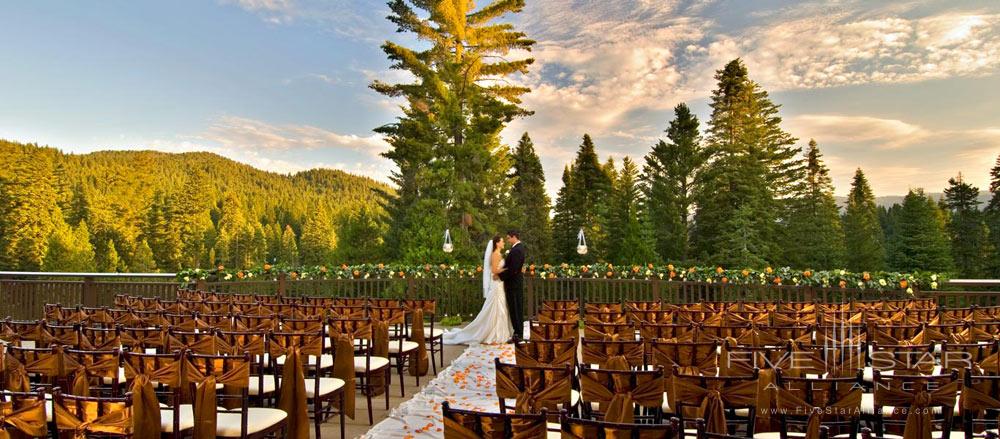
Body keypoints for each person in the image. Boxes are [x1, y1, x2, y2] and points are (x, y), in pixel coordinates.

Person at [441, 235, 513, 345]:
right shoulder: (495, 255)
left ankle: (500, 332)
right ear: (497, 243)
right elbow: (494, 270)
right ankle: (494, 333)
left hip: (499, 283)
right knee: (497, 307)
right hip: (497, 285)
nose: (504, 243)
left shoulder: (499, 254)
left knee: (501, 308)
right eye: (502, 241)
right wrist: (507, 269)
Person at [498, 229, 525, 342]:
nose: (508, 240)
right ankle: (517, 332)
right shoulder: (516, 249)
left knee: (516, 309)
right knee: (515, 308)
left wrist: (500, 276)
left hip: (513, 284)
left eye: (508, 238)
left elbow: (513, 269)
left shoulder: (517, 250)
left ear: (514, 237)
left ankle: (518, 334)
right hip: (513, 284)